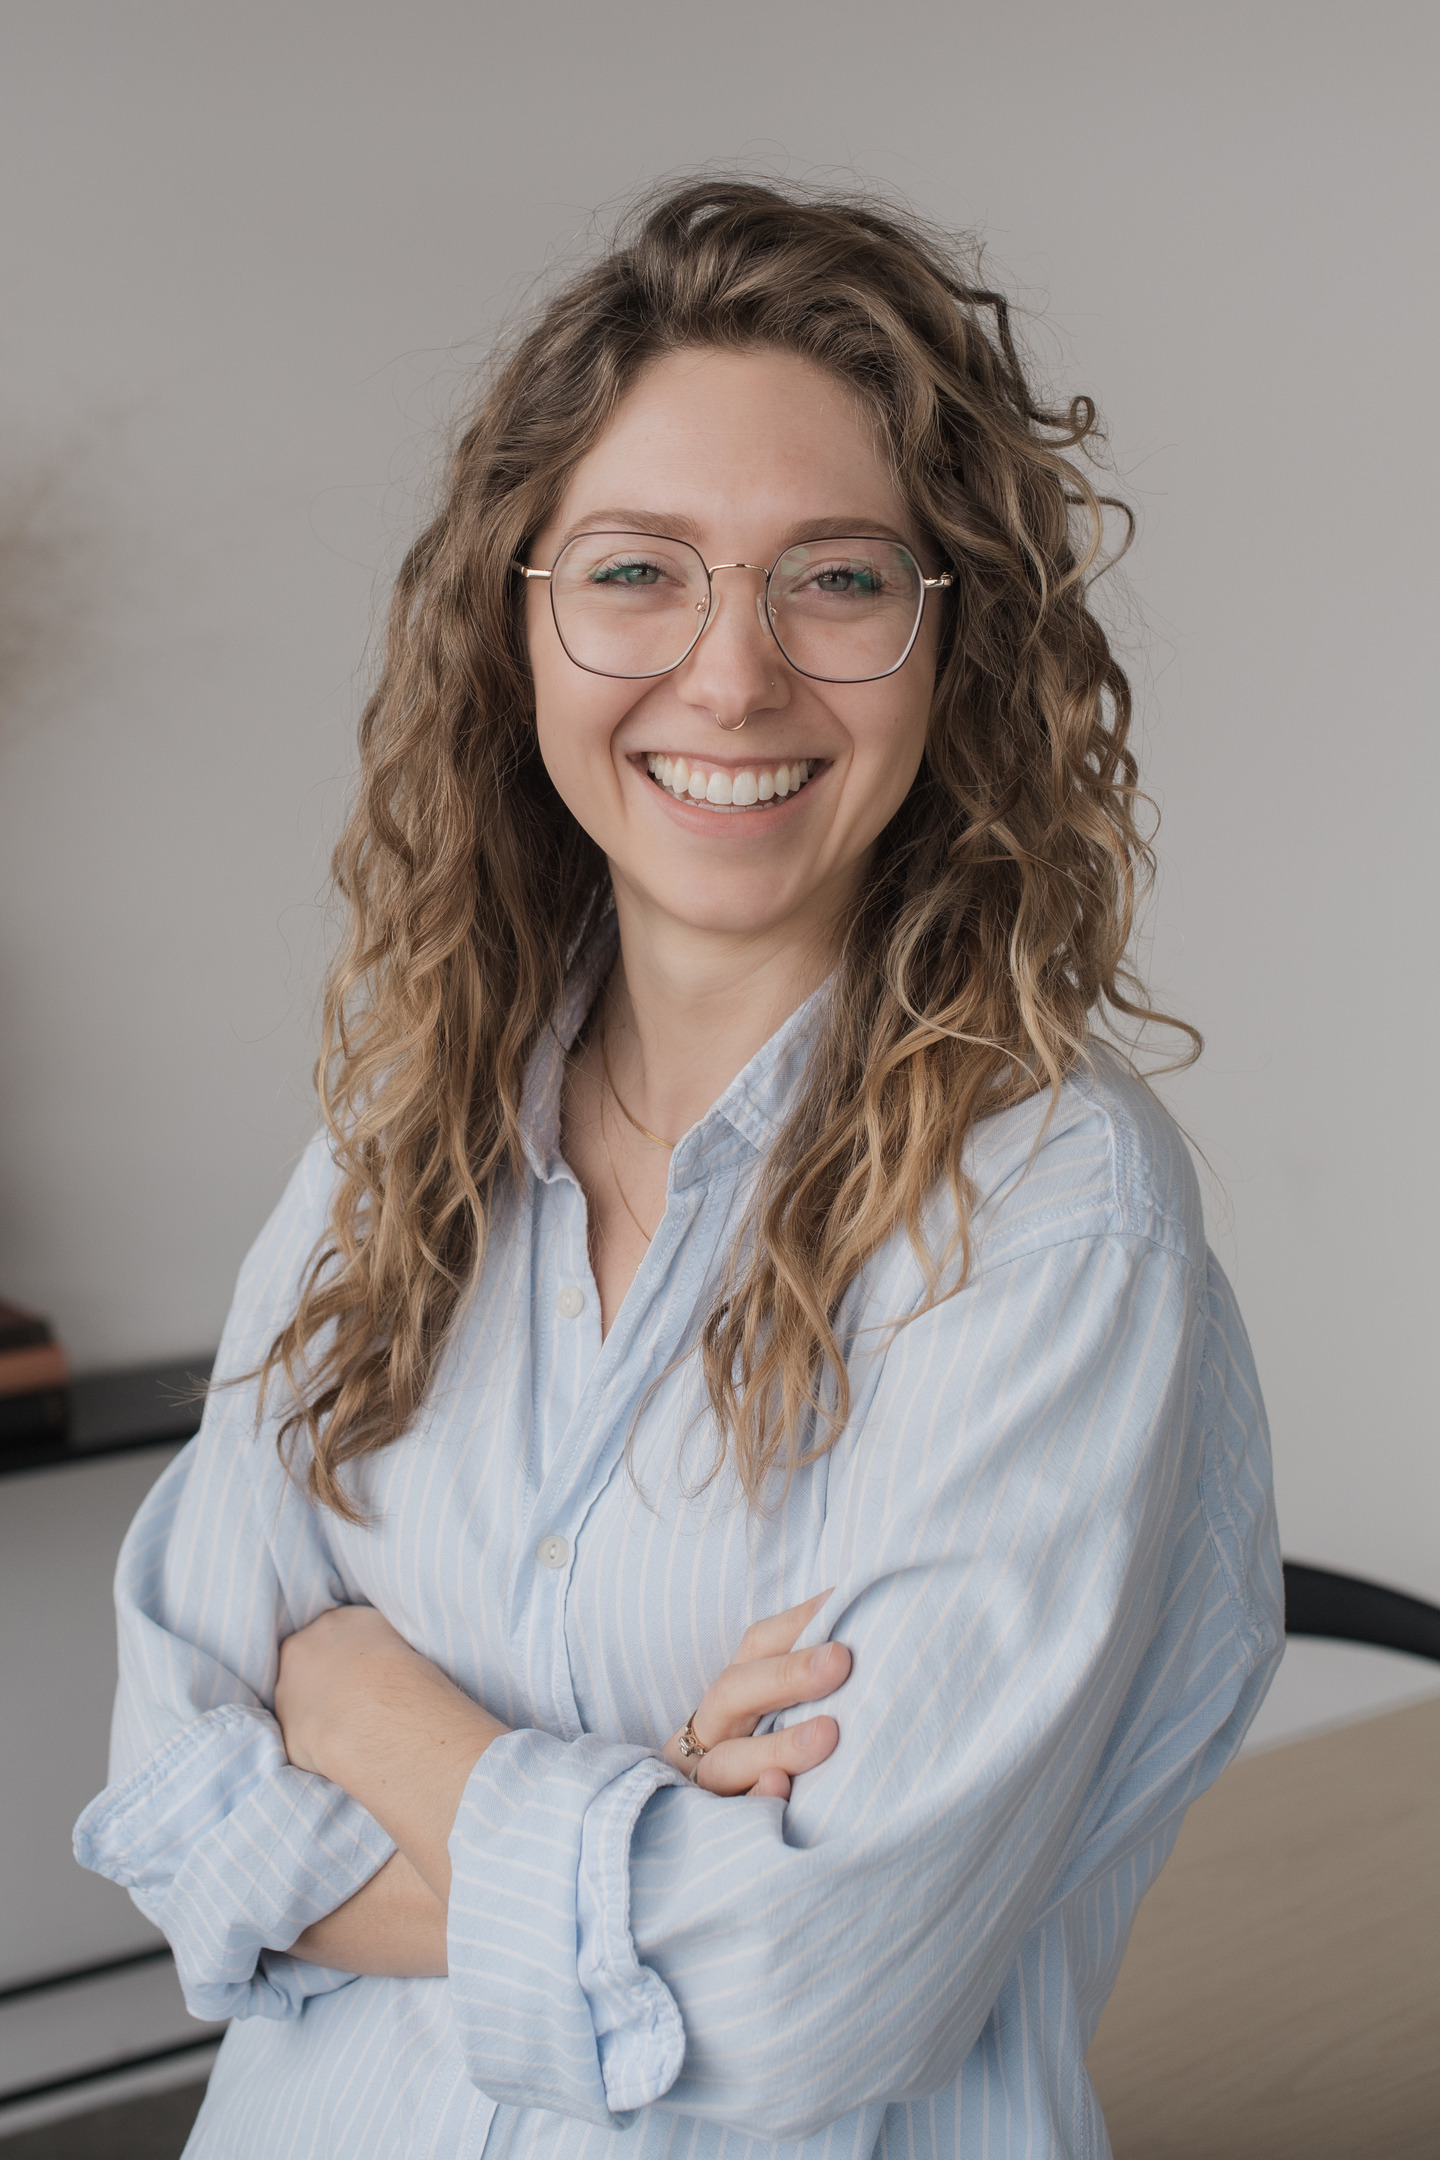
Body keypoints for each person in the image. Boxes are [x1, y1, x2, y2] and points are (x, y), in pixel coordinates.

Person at [75, 179, 1281, 2159]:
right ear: (520, 613)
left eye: (838, 579)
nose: (731, 678)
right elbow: (162, 1805)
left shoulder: (1051, 1217)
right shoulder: (392, 1151)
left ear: (950, 645)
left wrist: (371, 1714)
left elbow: (810, 1981)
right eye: (640, 571)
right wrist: (651, 1807)